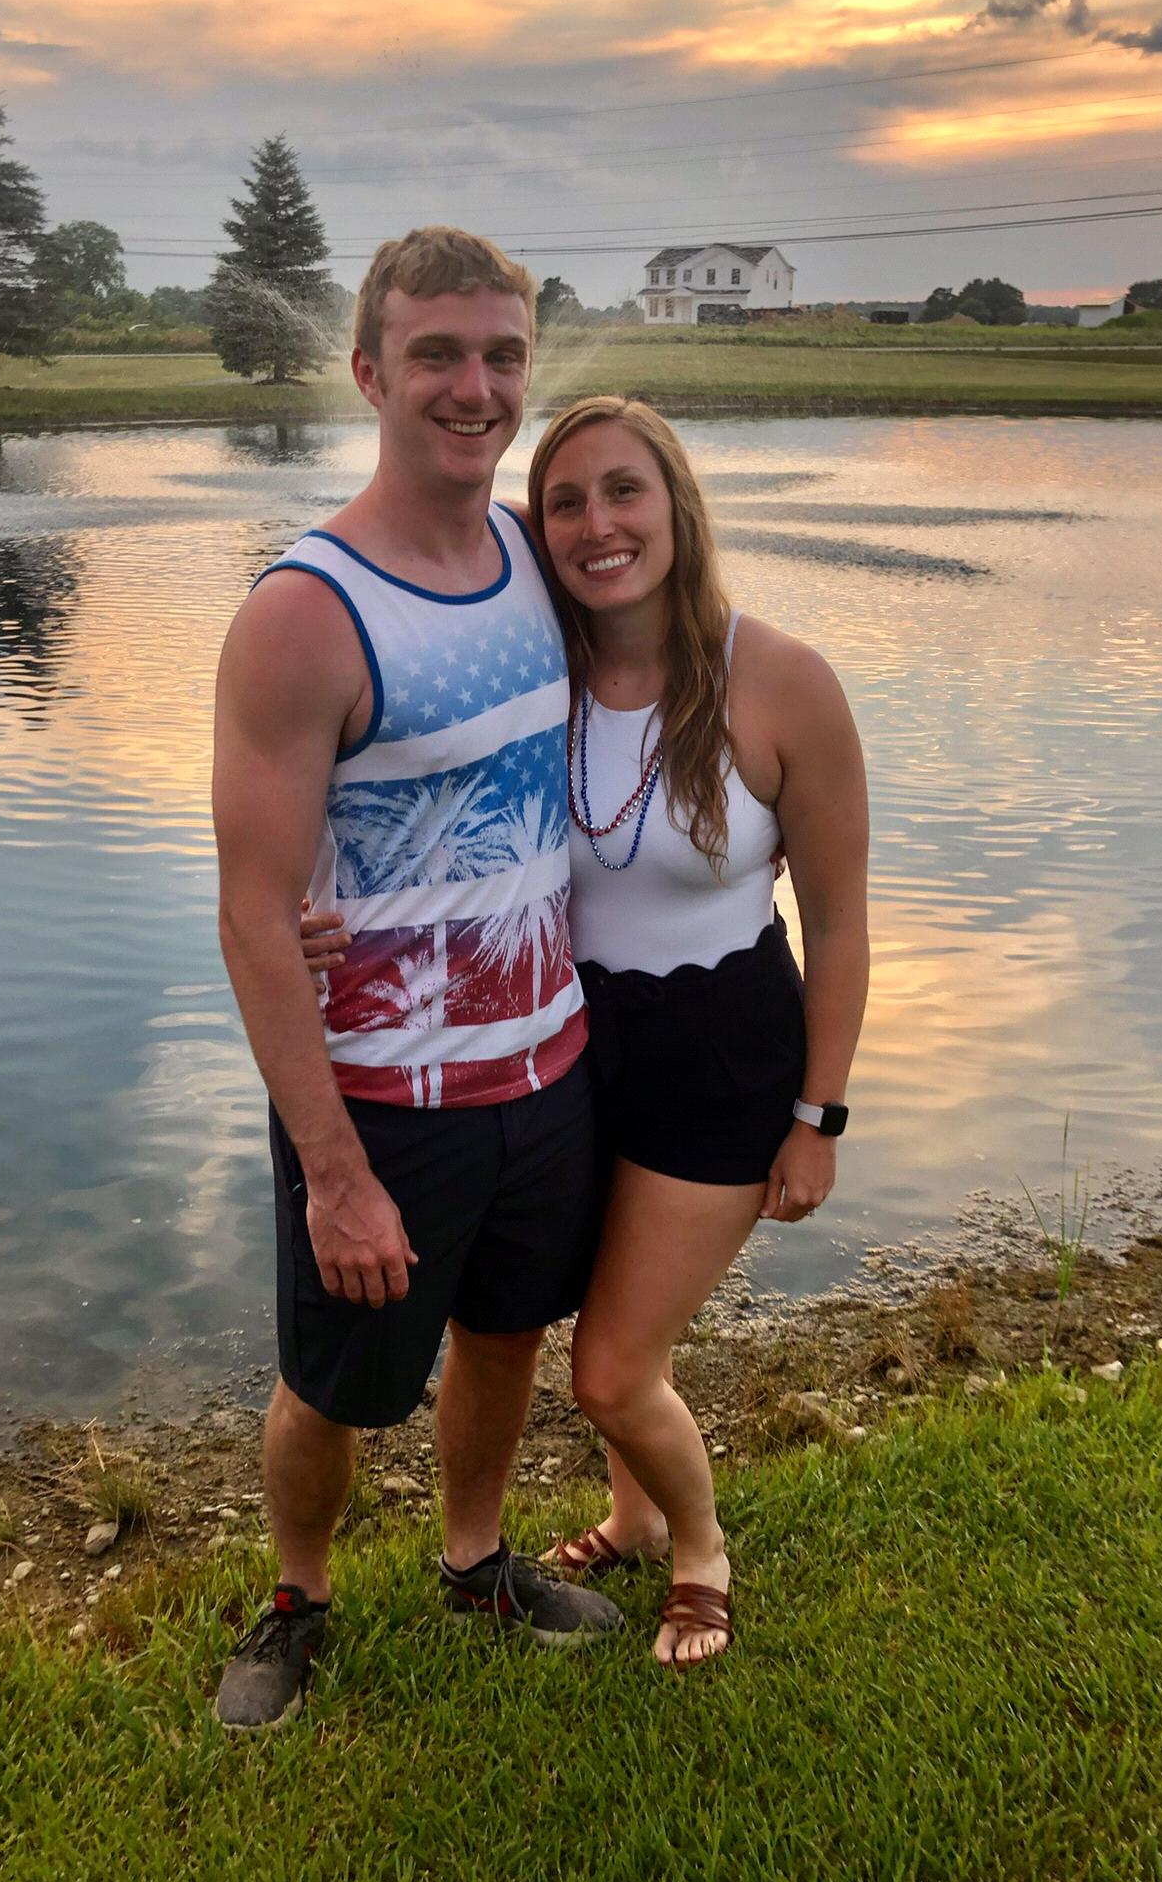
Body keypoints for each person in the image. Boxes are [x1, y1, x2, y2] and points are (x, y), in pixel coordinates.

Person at [307, 396, 869, 1668]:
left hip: (719, 1055)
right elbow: (402, 789)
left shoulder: (782, 680)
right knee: (586, 1318)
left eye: (625, 491)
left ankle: (700, 1547)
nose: (597, 524)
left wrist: (818, 1116)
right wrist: (310, 902)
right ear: (537, 526)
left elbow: (840, 923)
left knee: (611, 1368)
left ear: (677, 505)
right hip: (564, 1036)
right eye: (564, 501)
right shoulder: (531, 668)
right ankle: (629, 1514)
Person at [209, 229, 622, 1732]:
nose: (475, 386)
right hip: (381, 1099)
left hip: (547, 1065)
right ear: (370, 372)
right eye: (437, 353)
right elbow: (253, 915)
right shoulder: (305, 612)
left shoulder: (534, 556)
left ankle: (474, 1561)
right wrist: (333, 1175)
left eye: (503, 355)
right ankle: (296, 1596)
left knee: (507, 1337)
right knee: (334, 1383)